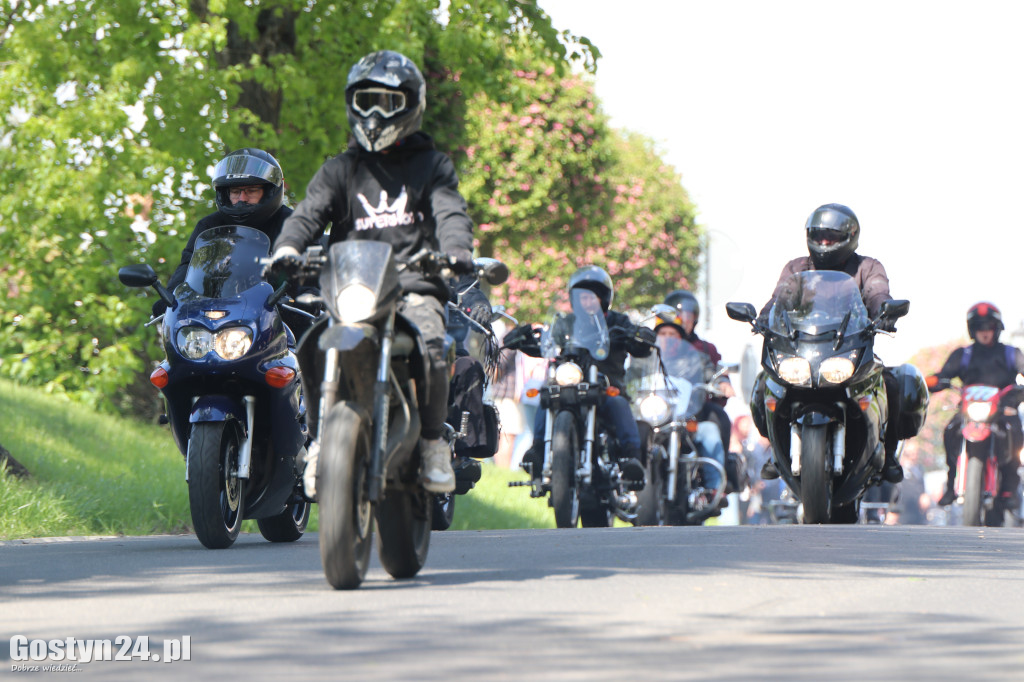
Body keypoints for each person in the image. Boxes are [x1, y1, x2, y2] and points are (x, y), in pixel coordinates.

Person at [269, 50, 475, 495]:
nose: (376, 113)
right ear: (352, 104)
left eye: (388, 101)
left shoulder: (431, 167)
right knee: (312, 342)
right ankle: (324, 441)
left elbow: (450, 212)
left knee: (436, 345)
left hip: (413, 289)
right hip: (352, 289)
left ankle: (435, 441)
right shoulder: (340, 170)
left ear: (411, 105)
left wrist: (456, 250)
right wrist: (287, 247)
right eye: (366, 101)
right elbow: (308, 215)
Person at [756, 203, 905, 485]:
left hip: (849, 348)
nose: (825, 244)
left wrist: (885, 311)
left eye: (832, 238)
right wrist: (763, 318)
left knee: (892, 384)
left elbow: (877, 292)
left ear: (850, 237)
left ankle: (888, 452)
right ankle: (775, 448)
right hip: (802, 348)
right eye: (820, 237)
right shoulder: (796, 267)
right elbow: (779, 298)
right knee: (764, 384)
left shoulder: (867, 267)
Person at [521, 266, 653, 484]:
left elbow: (639, 342)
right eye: (583, 297)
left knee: (618, 403)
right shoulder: (565, 323)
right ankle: (537, 451)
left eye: (593, 297)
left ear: (604, 298)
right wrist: (525, 338)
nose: (588, 302)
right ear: (575, 299)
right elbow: (548, 341)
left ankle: (630, 458)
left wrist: (639, 336)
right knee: (547, 396)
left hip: (605, 385)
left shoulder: (618, 322)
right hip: (569, 383)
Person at [154, 148, 291, 316]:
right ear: (225, 194)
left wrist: (309, 292)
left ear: (269, 191)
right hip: (221, 317)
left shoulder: (293, 224)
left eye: (251, 190)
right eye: (235, 192)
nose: (242, 198)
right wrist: (171, 298)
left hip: (281, 314)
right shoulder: (209, 226)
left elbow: (309, 265)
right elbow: (188, 266)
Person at [928, 302, 1024, 506]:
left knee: (1015, 431)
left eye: (989, 326)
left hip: (1003, 410)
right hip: (970, 412)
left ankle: (1009, 489)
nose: (985, 331)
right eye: (980, 326)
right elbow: (943, 375)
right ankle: (950, 484)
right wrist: (932, 381)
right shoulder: (963, 355)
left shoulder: (1011, 353)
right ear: (972, 329)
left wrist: (1017, 393)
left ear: (996, 328)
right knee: (950, 430)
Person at [653, 313, 727, 495]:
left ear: (680, 339)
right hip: (654, 420)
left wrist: (720, 382)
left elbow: (710, 372)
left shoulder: (696, 358)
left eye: (672, 334)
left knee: (710, 432)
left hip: (686, 420)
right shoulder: (647, 359)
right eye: (663, 334)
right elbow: (632, 378)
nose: (667, 338)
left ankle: (713, 489)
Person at [662, 289, 735, 453]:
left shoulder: (705, 349)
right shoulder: (657, 345)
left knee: (719, 418)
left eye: (688, 317)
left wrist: (723, 384)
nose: (683, 321)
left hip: (696, 408)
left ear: (695, 319)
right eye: (678, 316)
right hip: (661, 405)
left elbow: (715, 372)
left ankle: (721, 471)